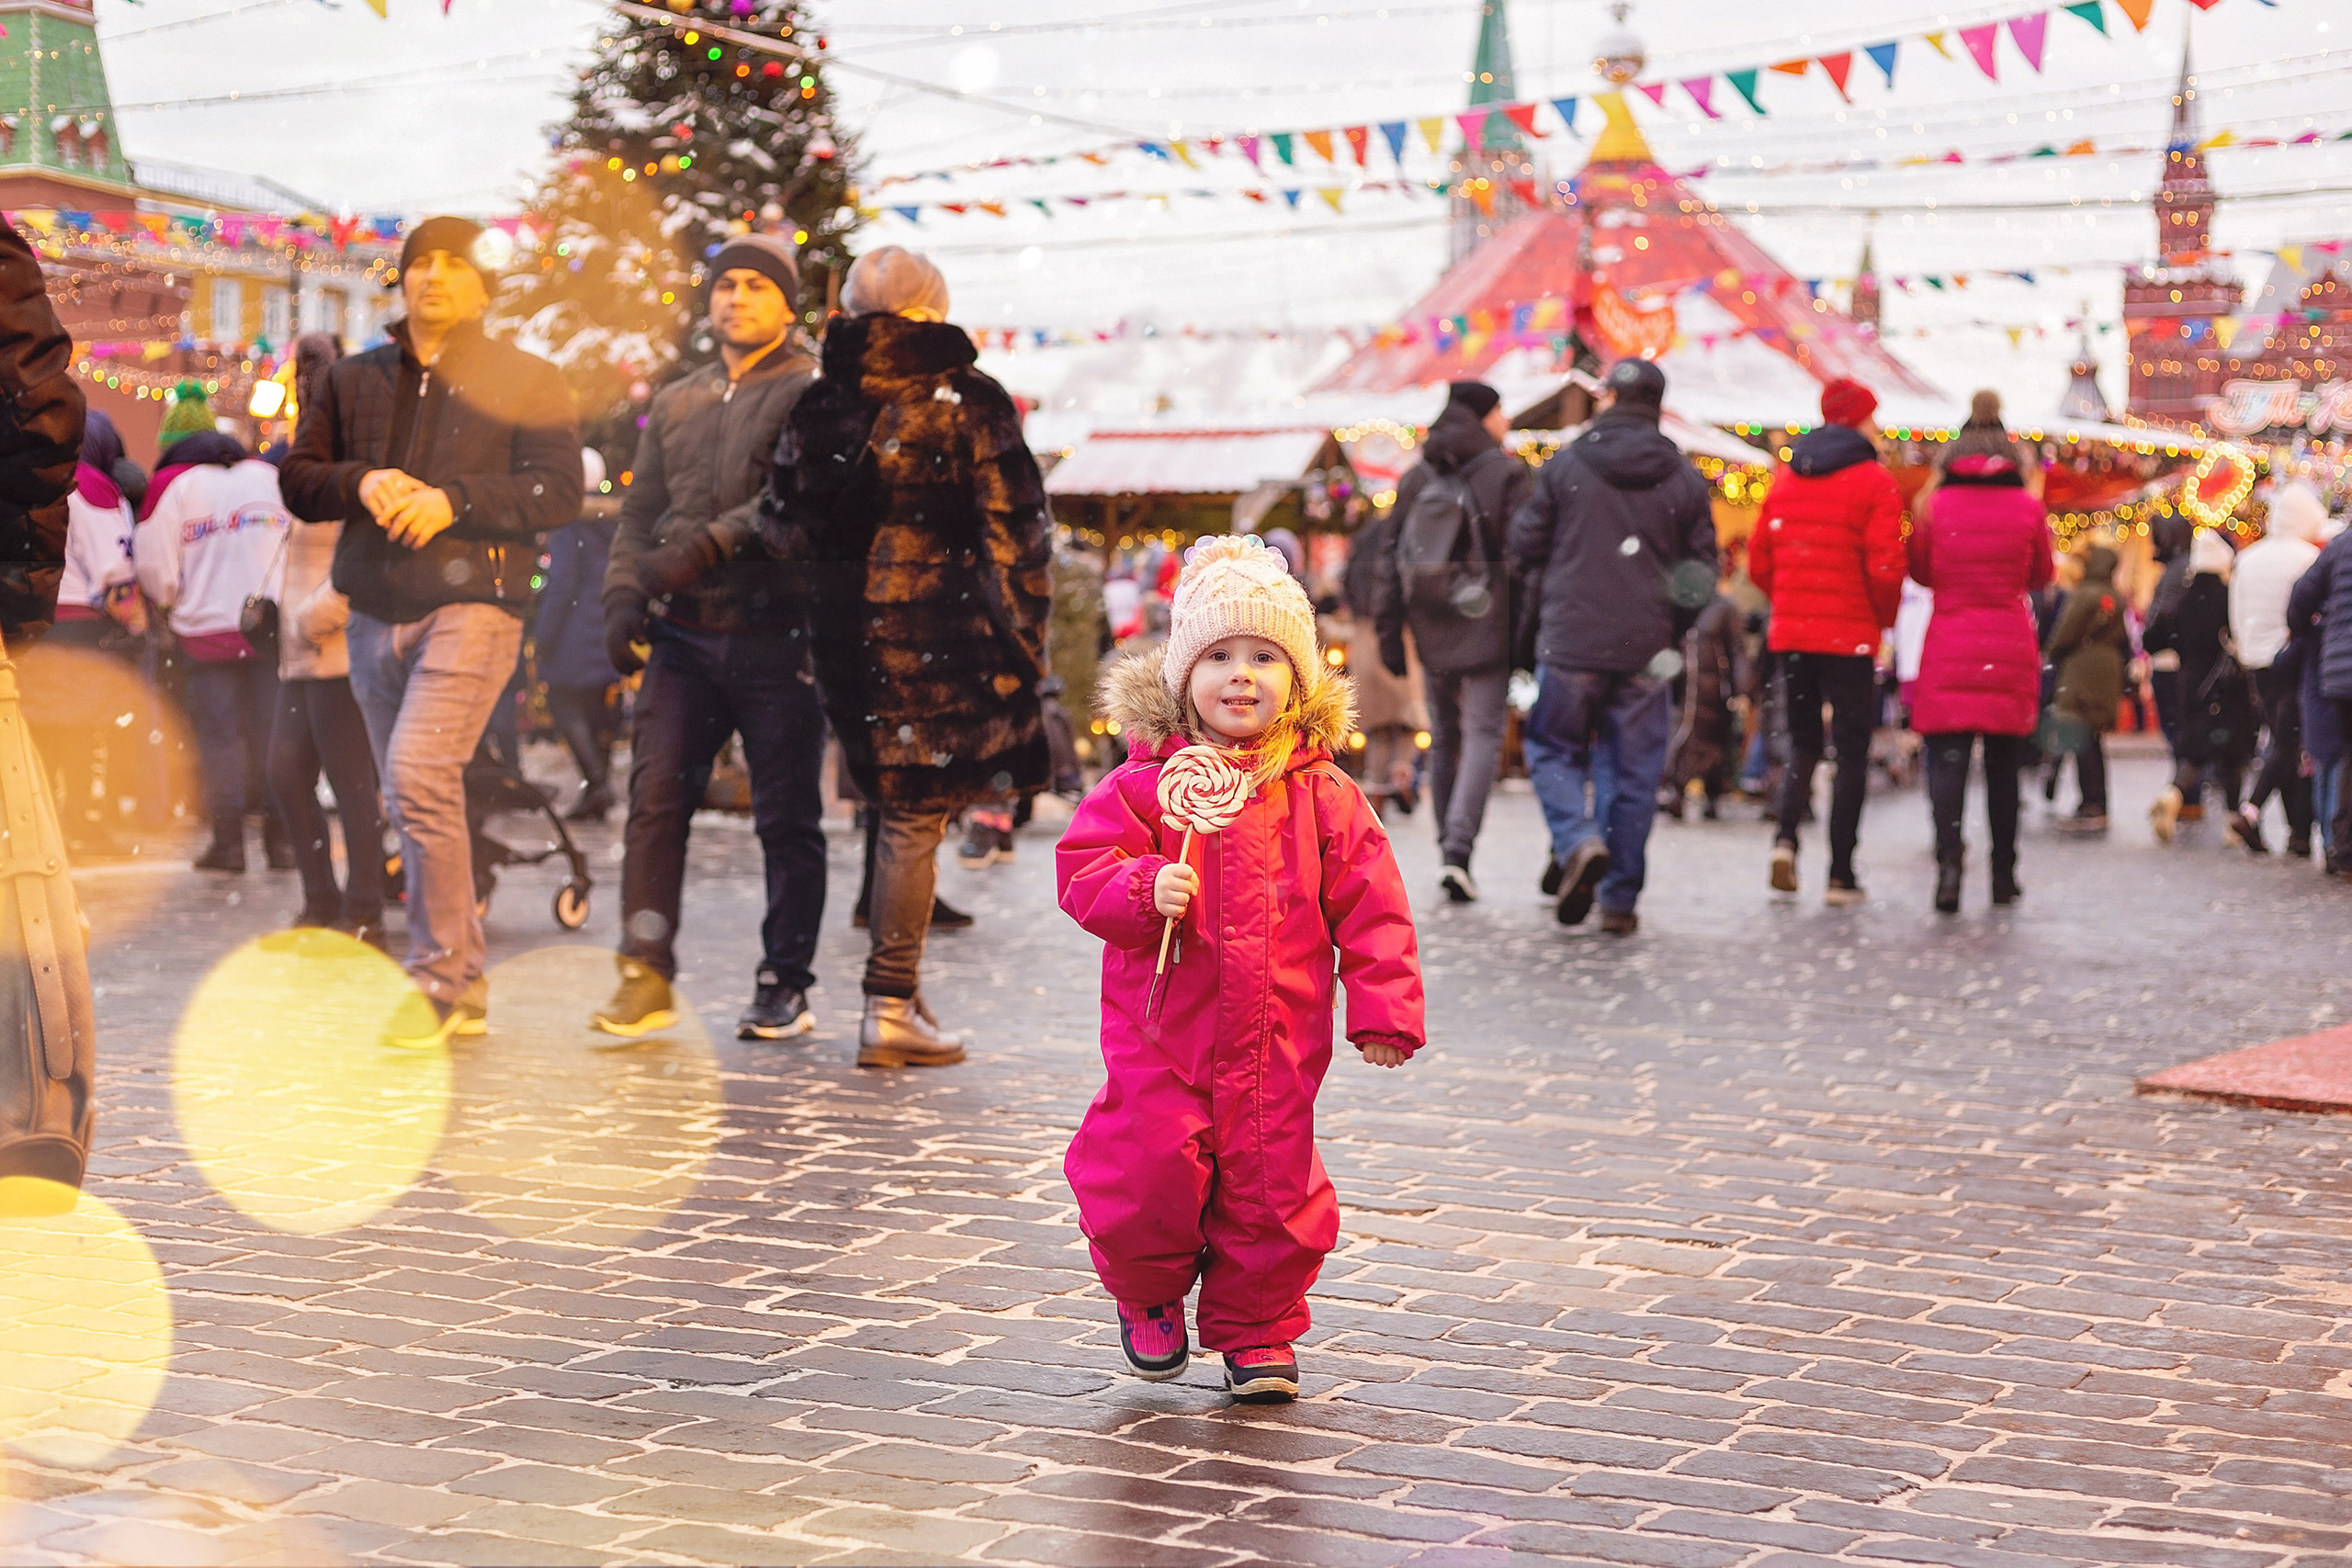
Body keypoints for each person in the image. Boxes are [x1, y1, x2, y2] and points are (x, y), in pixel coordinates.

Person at [1055, 535, 1423, 1404]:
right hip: (1163, 1032)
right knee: (1146, 1170)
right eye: (1219, 656)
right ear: (1185, 676)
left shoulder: (1323, 792)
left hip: (1277, 1038)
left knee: (1271, 1189)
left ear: (1298, 679)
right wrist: (1146, 886)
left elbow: (1372, 904)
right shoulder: (1147, 786)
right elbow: (1083, 869)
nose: (1241, 676)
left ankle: (1257, 1326)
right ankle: (1146, 1291)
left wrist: (1384, 1007)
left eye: (1264, 657)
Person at [280, 217, 581, 1047]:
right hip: (376, 608)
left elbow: (556, 491)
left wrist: (455, 500)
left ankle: (440, 981)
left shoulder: (527, 377)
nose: (435, 277)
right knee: (413, 795)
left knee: (416, 773)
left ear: (483, 286)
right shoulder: (352, 378)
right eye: (421, 264)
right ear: (402, 280)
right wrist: (362, 478)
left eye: (456, 265)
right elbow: (300, 481)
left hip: (476, 602)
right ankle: (462, 975)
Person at [759, 245, 1051, 1066]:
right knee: (916, 815)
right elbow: (1017, 537)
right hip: (946, 640)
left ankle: (902, 994)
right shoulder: (969, 400)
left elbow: (782, 532)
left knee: (893, 809)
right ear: (932, 305)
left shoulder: (819, 400)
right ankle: (889, 1001)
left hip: (847, 642)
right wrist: (1024, 644)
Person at [594, 232, 825, 1042]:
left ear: (786, 304)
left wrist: (704, 548)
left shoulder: (811, 390)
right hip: (683, 638)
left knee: (785, 816)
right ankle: (645, 974)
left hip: (778, 633)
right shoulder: (683, 396)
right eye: (725, 284)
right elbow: (638, 508)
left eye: (756, 286)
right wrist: (624, 590)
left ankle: (784, 981)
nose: (736, 298)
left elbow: (794, 500)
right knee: (655, 803)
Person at [1507, 356, 1717, 934]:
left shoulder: (1567, 465)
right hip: (1646, 648)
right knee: (1633, 773)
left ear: (1606, 398)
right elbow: (1701, 574)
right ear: (1657, 405)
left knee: (1552, 748)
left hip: (1572, 639)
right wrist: (1670, 626)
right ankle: (1620, 900)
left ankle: (1576, 840)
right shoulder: (1683, 477)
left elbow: (1523, 547)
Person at [1372, 379, 1530, 902]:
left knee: (1444, 735)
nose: (1506, 420)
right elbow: (1525, 563)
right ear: (1484, 416)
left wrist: (1389, 628)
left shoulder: (1419, 475)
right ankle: (1459, 851)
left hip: (1432, 619)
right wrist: (1527, 636)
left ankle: (1447, 849)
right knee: (1483, 732)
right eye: (1501, 411)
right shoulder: (1506, 474)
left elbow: (1390, 555)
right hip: (1488, 618)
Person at [1748, 377, 1905, 904]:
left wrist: (1790, 602)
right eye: (1872, 417)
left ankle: (1785, 839)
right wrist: (1879, 621)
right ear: (1857, 420)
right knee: (1852, 753)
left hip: (1793, 636)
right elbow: (1885, 567)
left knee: (1804, 743)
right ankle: (1841, 874)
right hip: (1851, 639)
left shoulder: (1785, 477)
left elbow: (1759, 560)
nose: (1878, 428)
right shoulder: (1875, 481)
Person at [134, 389, 295, 874]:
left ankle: (228, 845)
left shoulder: (176, 487)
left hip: (204, 634)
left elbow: (155, 566)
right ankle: (282, 841)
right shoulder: (269, 478)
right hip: (269, 630)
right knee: (273, 736)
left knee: (220, 739)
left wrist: (174, 598)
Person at [262, 350, 386, 944]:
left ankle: (364, 909)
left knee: (352, 783)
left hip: (337, 652)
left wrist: (315, 616)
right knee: (285, 774)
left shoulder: (350, 468)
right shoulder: (304, 466)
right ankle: (321, 897)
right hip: (298, 656)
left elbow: (362, 565)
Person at [1905, 414, 2052, 912]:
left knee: (1946, 766)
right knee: (2004, 769)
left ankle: (1949, 868)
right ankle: (2003, 873)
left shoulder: (1934, 506)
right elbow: (2042, 574)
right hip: (2008, 646)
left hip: (1949, 642)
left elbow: (1921, 572)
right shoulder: (2027, 507)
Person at [2228, 482, 2326, 857]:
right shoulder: (2306, 557)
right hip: (2292, 661)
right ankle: (2253, 813)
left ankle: (2297, 832)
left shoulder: (2249, 558)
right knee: (2290, 743)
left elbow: (2235, 612)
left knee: (2283, 739)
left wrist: (2245, 649)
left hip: (2256, 662)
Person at [2144, 528, 2256, 844]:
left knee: (2193, 751)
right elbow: (2238, 637)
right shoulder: (2227, 596)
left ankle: (2172, 794)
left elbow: (2155, 639)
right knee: (2232, 754)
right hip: (2225, 687)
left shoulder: (2184, 597)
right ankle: (2232, 823)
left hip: (2189, 684)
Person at [536, 447, 622, 822]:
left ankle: (597, 783)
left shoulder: (568, 521)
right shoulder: (614, 518)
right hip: (605, 622)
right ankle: (597, 788)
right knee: (595, 708)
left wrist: (544, 636)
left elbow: (562, 581)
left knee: (563, 702)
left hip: (573, 627)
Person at [1341, 506, 1427, 818]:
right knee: (1408, 720)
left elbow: (1347, 585)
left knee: (1377, 728)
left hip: (1365, 636)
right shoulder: (1407, 538)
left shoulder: (1363, 540)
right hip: (1401, 636)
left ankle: (1377, 789)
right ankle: (1401, 772)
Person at [2044, 542, 2131, 833]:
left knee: (2081, 738)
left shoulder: (2084, 594)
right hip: (2106, 668)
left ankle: (2091, 803)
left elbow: (2064, 633)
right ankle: (2097, 802)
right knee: (2092, 739)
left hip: (2082, 670)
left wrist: (2050, 653)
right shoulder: (2113, 595)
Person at [2286, 514, 2352, 866]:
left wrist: (2309, 632)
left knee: (2347, 756)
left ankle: (2341, 846)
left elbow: (2302, 596)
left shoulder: (2341, 544)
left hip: (2341, 671)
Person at [1659, 572, 1752, 820]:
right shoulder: (1681, 605)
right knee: (1684, 737)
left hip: (1716, 693)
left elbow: (1737, 650)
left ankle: (1712, 796)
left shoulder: (1725, 608)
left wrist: (1742, 690)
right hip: (1688, 690)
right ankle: (1676, 793)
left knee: (1715, 745)